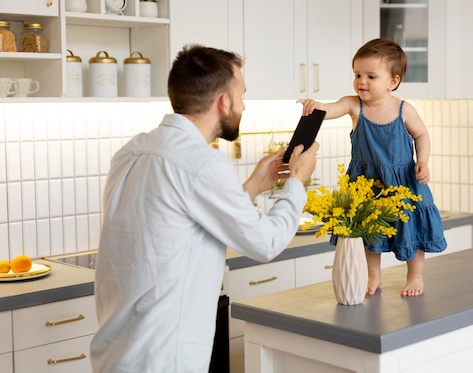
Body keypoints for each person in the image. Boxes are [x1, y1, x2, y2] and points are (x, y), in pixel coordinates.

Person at [90, 44, 319, 372]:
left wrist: (254, 185)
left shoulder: (132, 151)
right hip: (165, 358)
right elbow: (265, 242)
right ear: (223, 102)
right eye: (241, 94)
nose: (243, 105)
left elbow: (186, 215)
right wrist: (296, 180)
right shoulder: (203, 162)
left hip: (115, 355)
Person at [299, 38, 446, 297]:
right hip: (367, 181)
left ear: (393, 81)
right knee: (367, 230)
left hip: (404, 182)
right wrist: (317, 106)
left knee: (413, 226)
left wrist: (422, 161)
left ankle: (415, 276)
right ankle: (373, 275)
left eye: (371, 76)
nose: (361, 81)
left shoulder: (404, 110)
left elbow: (422, 135)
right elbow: (331, 109)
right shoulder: (354, 104)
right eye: (357, 74)